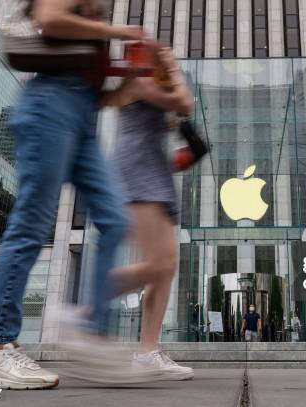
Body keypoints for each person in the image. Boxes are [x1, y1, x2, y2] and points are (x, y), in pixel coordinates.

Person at [0, 0, 153, 390]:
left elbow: (102, 100)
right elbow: (49, 17)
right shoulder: (88, 16)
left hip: (81, 120)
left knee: (115, 220)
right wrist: (119, 33)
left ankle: (88, 330)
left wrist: (130, 83)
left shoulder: (94, 21)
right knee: (31, 226)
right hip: (49, 107)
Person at [104, 46, 194, 380]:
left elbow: (171, 117)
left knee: (166, 265)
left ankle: (147, 351)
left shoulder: (147, 88)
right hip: (138, 174)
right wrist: (173, 68)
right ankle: (87, 303)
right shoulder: (138, 81)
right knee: (160, 263)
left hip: (153, 174)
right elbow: (185, 102)